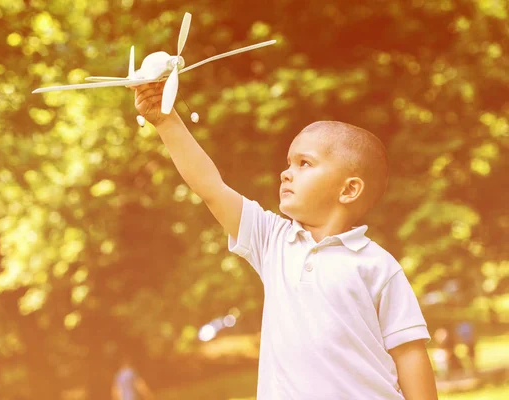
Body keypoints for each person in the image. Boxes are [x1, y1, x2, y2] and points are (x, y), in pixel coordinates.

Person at [132, 82, 438, 399]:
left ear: (348, 190)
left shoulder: (378, 266)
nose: (286, 173)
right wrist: (166, 121)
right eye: (288, 163)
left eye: (304, 163)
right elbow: (211, 187)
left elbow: (410, 354)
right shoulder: (273, 240)